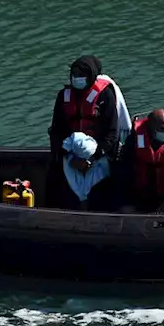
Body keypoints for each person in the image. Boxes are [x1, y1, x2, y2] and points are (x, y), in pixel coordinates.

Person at [46, 55, 132, 210]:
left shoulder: (105, 96)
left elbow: (112, 133)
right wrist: (67, 155)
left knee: (104, 192)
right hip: (70, 153)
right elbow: (56, 130)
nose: (76, 78)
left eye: (81, 75)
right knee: (58, 186)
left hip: (98, 154)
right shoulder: (63, 96)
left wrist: (92, 159)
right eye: (74, 74)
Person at [115, 108, 164, 213]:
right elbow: (126, 166)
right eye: (162, 129)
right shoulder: (135, 137)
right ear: (151, 128)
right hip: (144, 189)